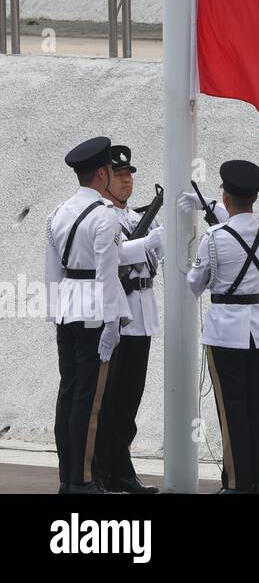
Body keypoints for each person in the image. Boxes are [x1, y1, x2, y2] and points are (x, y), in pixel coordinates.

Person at [187, 160, 259, 494]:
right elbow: (251, 220)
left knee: (232, 410)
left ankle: (236, 483)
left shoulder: (214, 237)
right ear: (253, 197)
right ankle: (258, 479)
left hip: (226, 330)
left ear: (226, 198)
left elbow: (195, 284)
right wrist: (219, 211)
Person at [46, 137, 133, 494]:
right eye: (112, 170)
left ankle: (68, 476)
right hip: (95, 313)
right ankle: (82, 480)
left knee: (68, 395)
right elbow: (106, 276)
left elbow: (53, 272)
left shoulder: (58, 213)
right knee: (89, 399)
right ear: (102, 172)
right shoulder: (105, 217)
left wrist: (55, 313)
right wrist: (112, 323)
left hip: (68, 309)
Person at [93, 144, 163, 494]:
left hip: (141, 313)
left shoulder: (137, 218)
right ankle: (101, 471)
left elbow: (156, 257)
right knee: (109, 400)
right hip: (117, 316)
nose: (126, 182)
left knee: (130, 399)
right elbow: (116, 256)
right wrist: (149, 242)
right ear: (104, 179)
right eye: (119, 176)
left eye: (129, 175)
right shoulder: (102, 216)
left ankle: (121, 469)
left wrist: (162, 241)